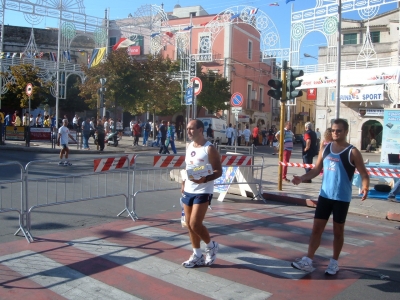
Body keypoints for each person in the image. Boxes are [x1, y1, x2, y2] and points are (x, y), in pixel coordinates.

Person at [291, 118, 369, 275]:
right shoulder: (325, 148)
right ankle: (308, 260)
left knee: (338, 231)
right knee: (316, 229)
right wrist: (302, 178)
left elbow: (363, 173)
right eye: (333, 130)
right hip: (325, 196)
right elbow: (315, 170)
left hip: (341, 198)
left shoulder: (352, 151)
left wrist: (365, 187)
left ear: (346, 132)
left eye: (339, 130)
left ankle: (334, 262)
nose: (335, 133)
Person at [181, 119, 222, 268]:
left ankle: (211, 246)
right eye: (187, 129)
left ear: (200, 130)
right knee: (189, 225)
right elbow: (189, 167)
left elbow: (219, 171)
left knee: (195, 223)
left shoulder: (209, 148)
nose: (188, 131)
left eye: (191, 129)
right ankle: (197, 254)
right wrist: (184, 182)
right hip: (189, 190)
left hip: (203, 190)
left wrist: (205, 179)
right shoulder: (190, 146)